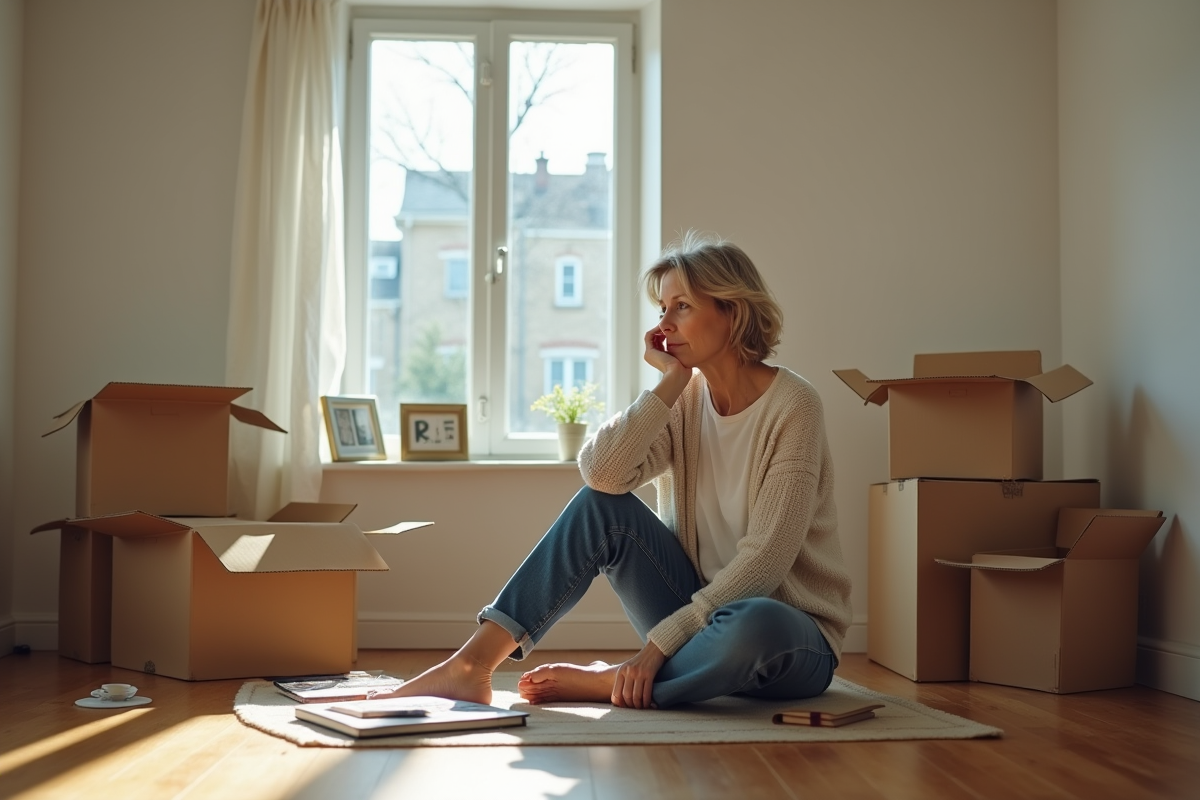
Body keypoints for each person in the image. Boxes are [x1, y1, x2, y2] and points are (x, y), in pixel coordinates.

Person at [380, 232, 852, 710]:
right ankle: (473, 663)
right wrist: (668, 385)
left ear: (731, 310)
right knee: (600, 508)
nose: (665, 324)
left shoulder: (794, 406)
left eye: (681, 307)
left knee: (756, 621)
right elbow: (601, 475)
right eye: (662, 309)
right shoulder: (683, 402)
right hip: (692, 621)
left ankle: (614, 682)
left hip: (787, 638)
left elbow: (765, 562)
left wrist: (656, 646)